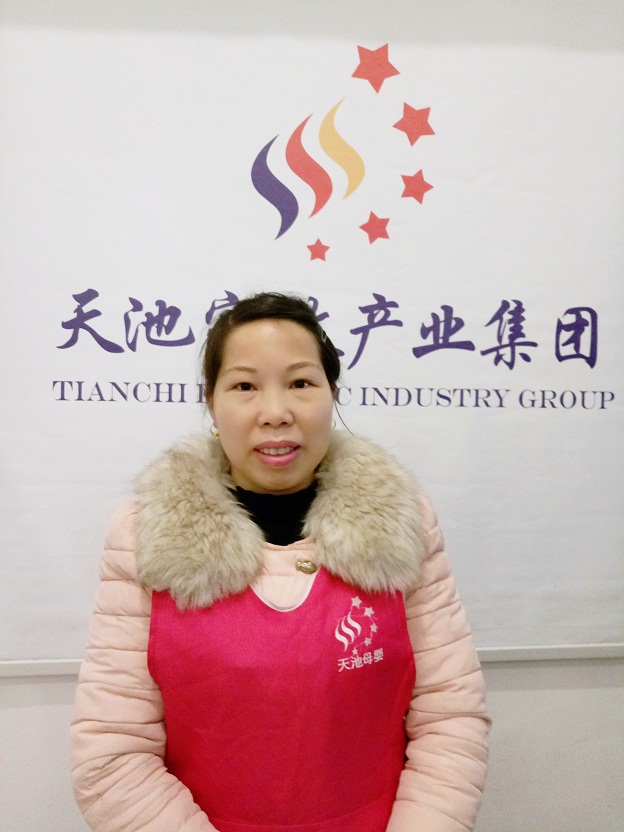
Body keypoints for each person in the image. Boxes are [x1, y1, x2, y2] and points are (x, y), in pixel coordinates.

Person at [71, 292, 490, 832]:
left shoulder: (402, 521)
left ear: (332, 394)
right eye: (245, 386)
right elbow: (112, 752)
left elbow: (450, 718)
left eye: (300, 383)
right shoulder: (143, 534)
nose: (276, 413)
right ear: (211, 402)